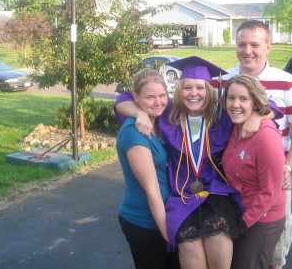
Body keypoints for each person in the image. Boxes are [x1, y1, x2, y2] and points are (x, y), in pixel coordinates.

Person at [115, 56, 274, 269]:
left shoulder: (223, 116)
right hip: (181, 194)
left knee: (218, 237)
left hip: (216, 192)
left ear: (210, 90)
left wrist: (257, 117)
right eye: (187, 87)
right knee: (189, 246)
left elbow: (269, 105)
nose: (193, 93)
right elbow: (123, 99)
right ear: (179, 89)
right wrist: (139, 112)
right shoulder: (168, 113)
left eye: (200, 87)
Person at [213, 20, 292, 269]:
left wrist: (287, 168)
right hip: (234, 178)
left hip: (273, 176)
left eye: (255, 45)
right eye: (242, 44)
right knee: (242, 253)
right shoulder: (222, 81)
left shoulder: (289, 83)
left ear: (268, 47)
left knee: (273, 255)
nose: (248, 51)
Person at [115, 68, 179, 269]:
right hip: (144, 221)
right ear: (136, 98)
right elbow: (151, 190)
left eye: (162, 95)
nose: (158, 102)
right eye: (150, 97)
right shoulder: (135, 135)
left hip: (162, 215)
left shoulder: (158, 122)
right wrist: (168, 236)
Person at [221, 74, 286, 269]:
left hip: (262, 218)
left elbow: (270, 192)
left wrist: (242, 223)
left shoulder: (266, 137)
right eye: (231, 98)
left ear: (255, 103)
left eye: (243, 99)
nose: (235, 104)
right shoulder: (235, 128)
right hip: (242, 211)